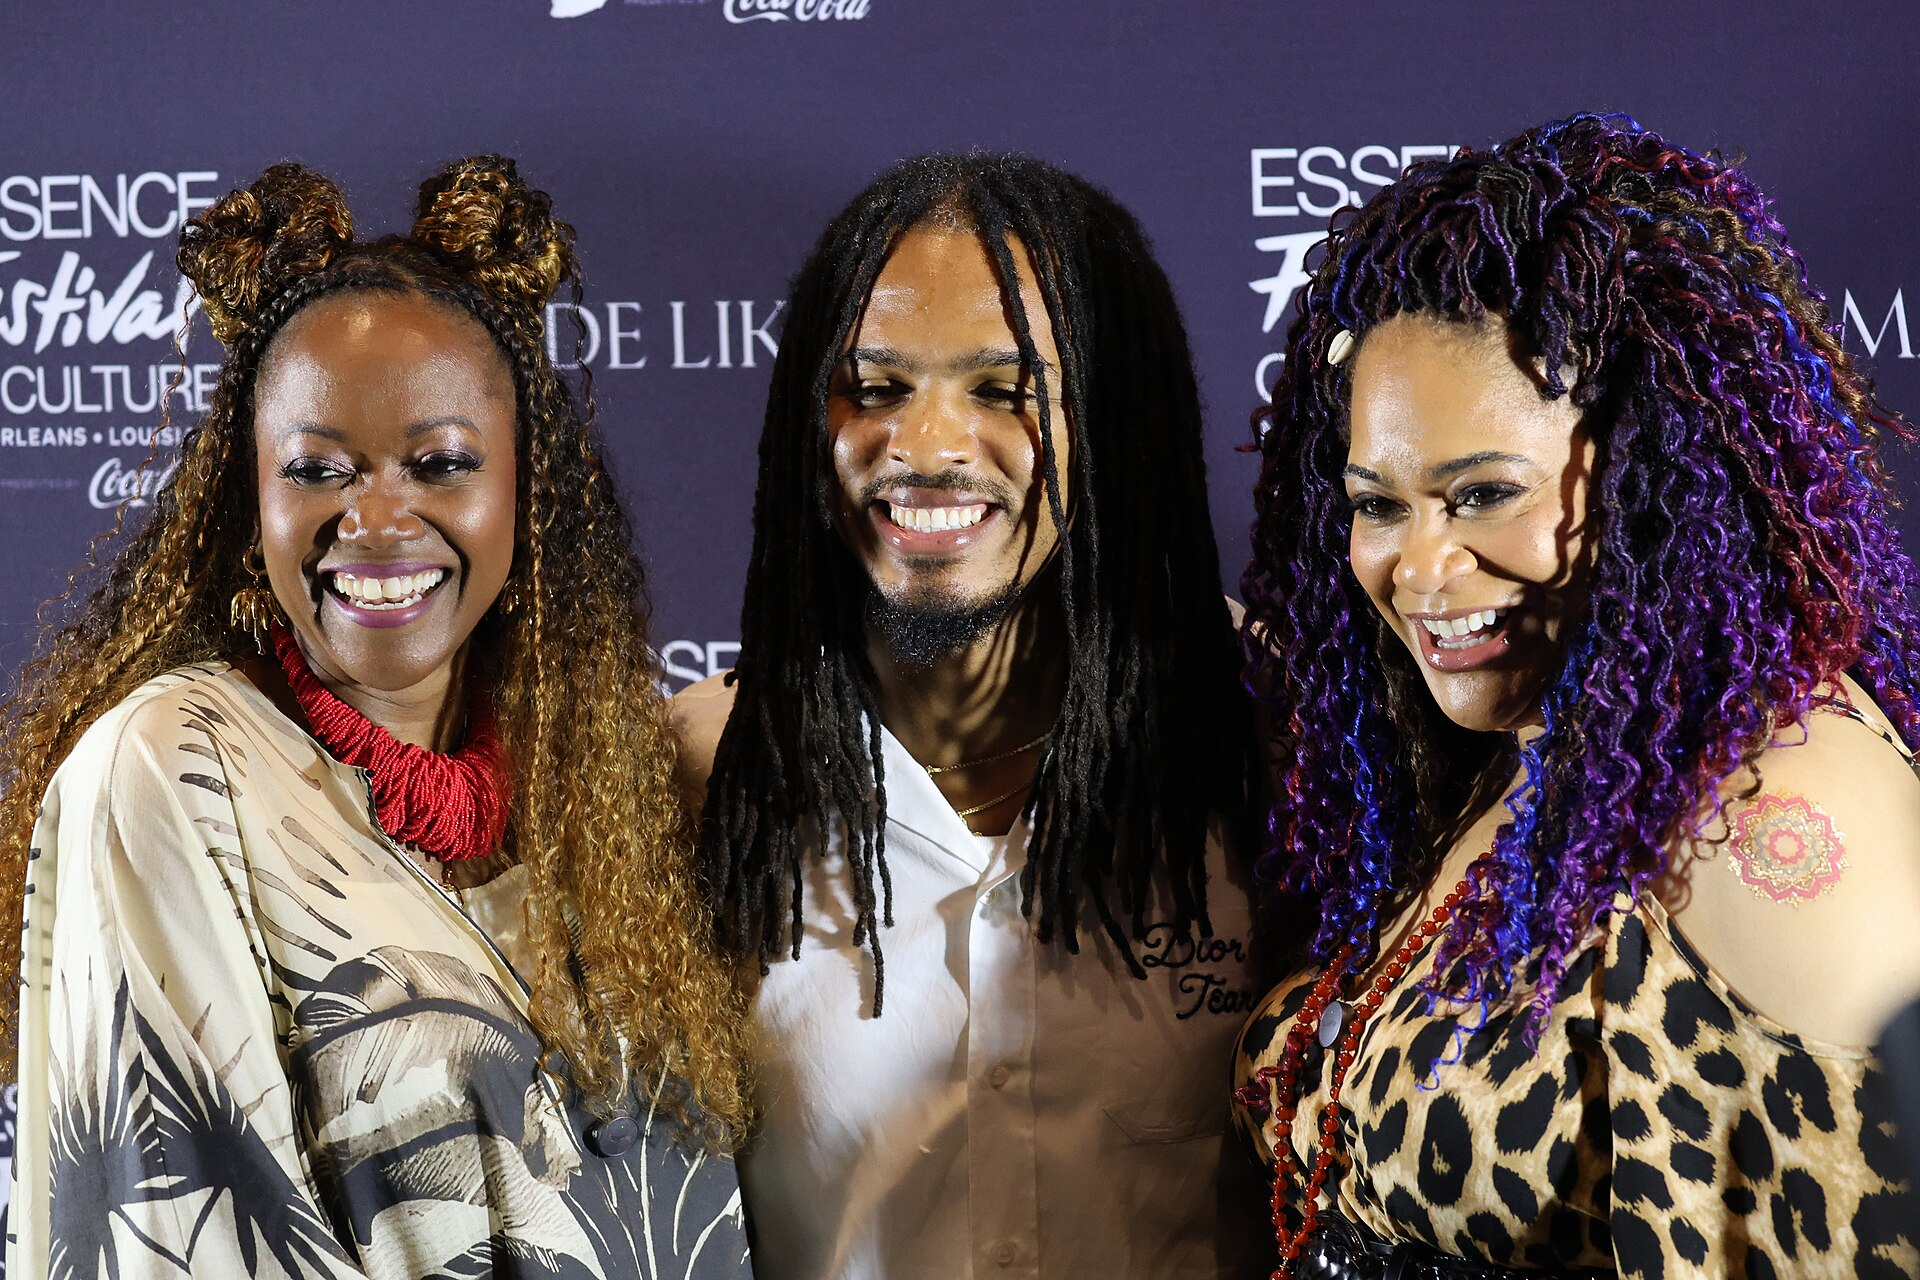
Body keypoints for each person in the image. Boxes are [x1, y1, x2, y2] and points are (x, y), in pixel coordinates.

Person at [0, 158, 755, 1279]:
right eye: (318, 469)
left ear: (523, 488)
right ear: (247, 503)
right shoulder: (170, 770)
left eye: (440, 463)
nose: (378, 516)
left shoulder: (607, 780)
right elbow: (182, 1234)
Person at [1233, 114, 1920, 1277]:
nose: (1422, 569)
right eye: (1379, 504)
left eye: (1483, 492)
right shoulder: (1537, 749)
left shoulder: (1784, 818)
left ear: (1662, 471)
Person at [673, 152, 1266, 1278]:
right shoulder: (700, 777)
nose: (930, 446)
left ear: (1118, 417)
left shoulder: (1269, 739)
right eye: (876, 386)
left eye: (1007, 389)